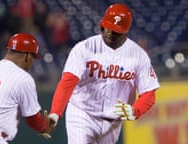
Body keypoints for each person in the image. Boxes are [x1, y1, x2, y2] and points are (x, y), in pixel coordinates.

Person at [48, 3, 160, 144]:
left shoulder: (139, 55)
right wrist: (55, 112)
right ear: (102, 24)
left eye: (116, 30)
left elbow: (149, 93)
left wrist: (135, 110)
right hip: (82, 113)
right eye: (108, 27)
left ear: (126, 31)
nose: (109, 33)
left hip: (113, 121)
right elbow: (68, 81)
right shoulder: (84, 48)